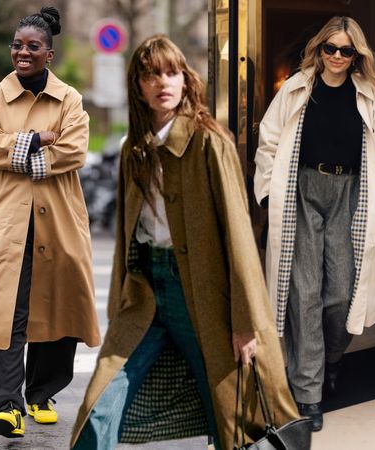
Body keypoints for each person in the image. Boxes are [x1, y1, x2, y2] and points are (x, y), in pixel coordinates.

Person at [70, 35, 299, 450]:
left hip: (203, 291)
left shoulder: (210, 141)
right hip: (144, 291)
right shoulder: (134, 150)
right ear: (138, 86)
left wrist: (244, 320)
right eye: (152, 74)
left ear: (185, 78)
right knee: (102, 397)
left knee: (226, 401)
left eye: (172, 72)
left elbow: (239, 236)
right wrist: (119, 297)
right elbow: (126, 236)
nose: (164, 82)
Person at [0, 6, 100, 438]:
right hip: (6, 220)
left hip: (58, 220)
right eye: (17, 45)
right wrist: (36, 140)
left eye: (32, 46)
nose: (22, 52)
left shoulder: (70, 100)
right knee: (7, 311)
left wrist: (15, 152)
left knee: (58, 306)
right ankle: (5, 404)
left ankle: (41, 395)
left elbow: (73, 151)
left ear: (49, 54)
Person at [254, 16, 375, 431]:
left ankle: (331, 358)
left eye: (345, 50)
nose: (336, 56)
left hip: (350, 196)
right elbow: (269, 140)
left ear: (356, 55)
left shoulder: (368, 95)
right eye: (330, 48)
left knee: (342, 293)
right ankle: (308, 393)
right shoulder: (297, 88)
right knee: (305, 293)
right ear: (319, 49)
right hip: (302, 191)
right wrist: (266, 191)